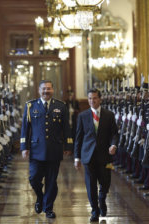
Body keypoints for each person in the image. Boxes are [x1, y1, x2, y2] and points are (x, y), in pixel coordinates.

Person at [20, 80, 73, 219]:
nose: (46, 91)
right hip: (36, 150)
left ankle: (48, 208)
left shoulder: (61, 106)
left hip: (54, 150)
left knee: (51, 181)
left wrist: (68, 145)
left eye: (49, 89)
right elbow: (25, 128)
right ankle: (40, 197)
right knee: (34, 178)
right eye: (43, 89)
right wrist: (24, 147)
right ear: (39, 90)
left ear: (53, 90)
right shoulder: (31, 105)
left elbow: (66, 128)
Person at [74, 88, 119, 222]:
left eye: (94, 98)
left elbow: (115, 134)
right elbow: (78, 137)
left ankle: (102, 199)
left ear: (99, 99)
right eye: (89, 98)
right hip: (88, 156)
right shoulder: (82, 116)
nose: (92, 101)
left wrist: (114, 145)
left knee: (105, 182)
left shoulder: (109, 115)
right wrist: (77, 157)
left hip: (105, 156)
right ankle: (94, 210)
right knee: (90, 185)